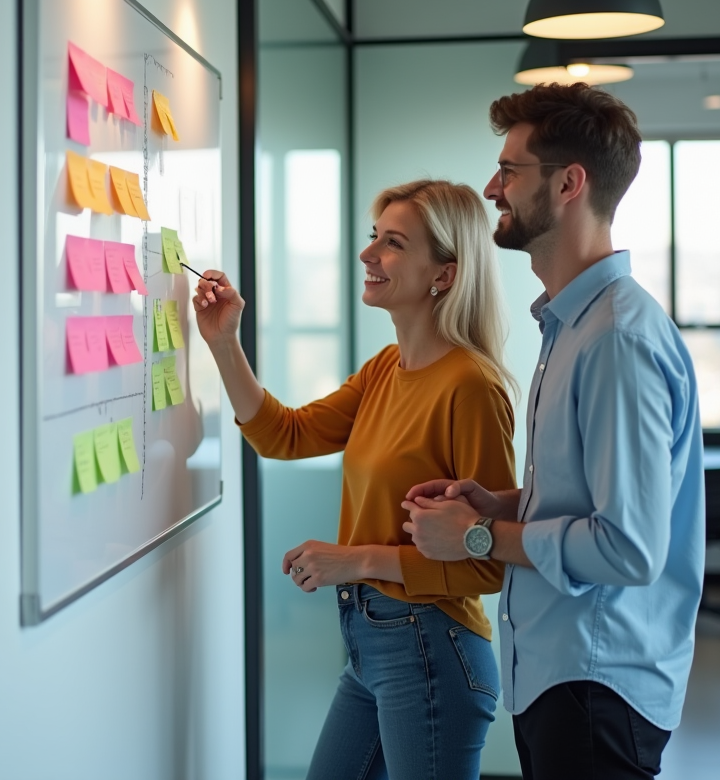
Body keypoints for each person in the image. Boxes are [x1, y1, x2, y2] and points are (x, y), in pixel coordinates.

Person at [402, 83, 704, 780]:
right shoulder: (574, 325)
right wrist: (499, 503)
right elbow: (596, 498)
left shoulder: (614, 340)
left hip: (596, 683)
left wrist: (477, 539)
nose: (490, 186)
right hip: (567, 674)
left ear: (569, 183)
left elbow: (627, 549)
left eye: (510, 170)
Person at [193, 180, 517, 779]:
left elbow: (489, 562)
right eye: (375, 237)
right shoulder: (385, 369)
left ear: (443, 273)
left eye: (393, 243)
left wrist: (357, 560)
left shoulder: (471, 387)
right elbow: (281, 435)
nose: (369, 255)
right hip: (371, 643)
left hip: (431, 647)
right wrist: (223, 343)